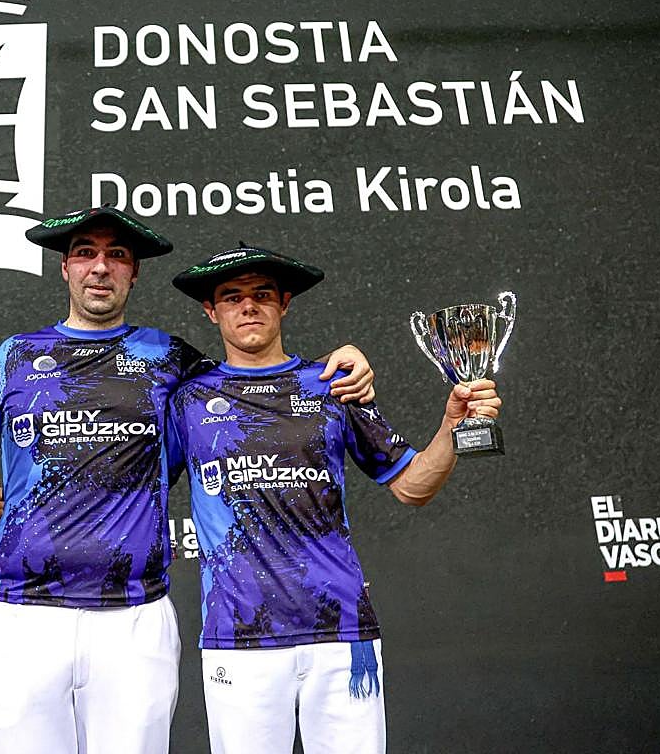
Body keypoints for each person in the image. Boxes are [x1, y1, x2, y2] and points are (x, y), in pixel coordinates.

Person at [0, 208, 375, 754]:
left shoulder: (170, 358)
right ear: (65, 268)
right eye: (85, 253)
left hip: (133, 616)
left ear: (134, 273)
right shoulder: (15, 355)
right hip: (20, 613)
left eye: (117, 255)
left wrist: (337, 363)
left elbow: (257, 376)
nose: (100, 267)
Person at [165, 244, 504, 754]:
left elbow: (412, 486)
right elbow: (134, 482)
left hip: (341, 633)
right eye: (232, 297)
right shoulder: (187, 400)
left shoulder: (332, 385)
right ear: (211, 311)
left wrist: (453, 426)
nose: (248, 306)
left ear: (284, 303)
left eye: (262, 294)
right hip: (239, 637)